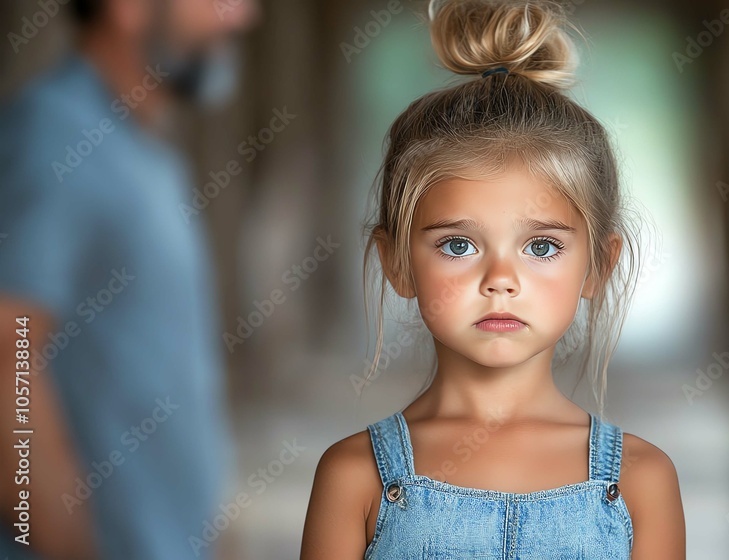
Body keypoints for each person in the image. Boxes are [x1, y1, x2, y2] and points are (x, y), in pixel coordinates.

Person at [300, 1, 685, 558]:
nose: (500, 279)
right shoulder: (354, 476)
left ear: (599, 265)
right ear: (397, 262)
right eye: (458, 245)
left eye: (541, 247)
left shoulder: (641, 482)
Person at [0, 0, 256, 558]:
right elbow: (8, 351)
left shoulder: (145, 147)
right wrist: (60, 538)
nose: (239, 17)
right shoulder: (55, 134)